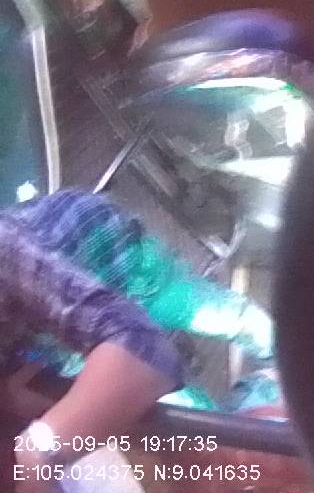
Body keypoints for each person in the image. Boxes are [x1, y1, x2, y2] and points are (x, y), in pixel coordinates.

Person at [0, 190, 184, 493]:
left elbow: (148, 350)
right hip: (57, 338)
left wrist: (40, 451)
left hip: (117, 255)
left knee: (206, 312)